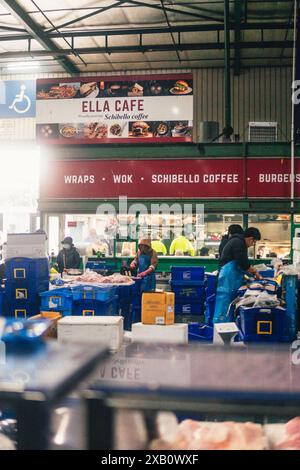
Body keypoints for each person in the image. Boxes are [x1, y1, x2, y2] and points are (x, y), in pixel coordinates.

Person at [213, 227, 262, 323]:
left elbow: (242, 264)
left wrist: (250, 273)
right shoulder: (238, 243)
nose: (252, 245)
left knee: (230, 302)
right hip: (228, 278)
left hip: (231, 278)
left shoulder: (238, 241)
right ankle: (221, 326)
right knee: (226, 303)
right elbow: (243, 263)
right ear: (250, 238)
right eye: (254, 242)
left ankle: (227, 325)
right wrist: (255, 272)